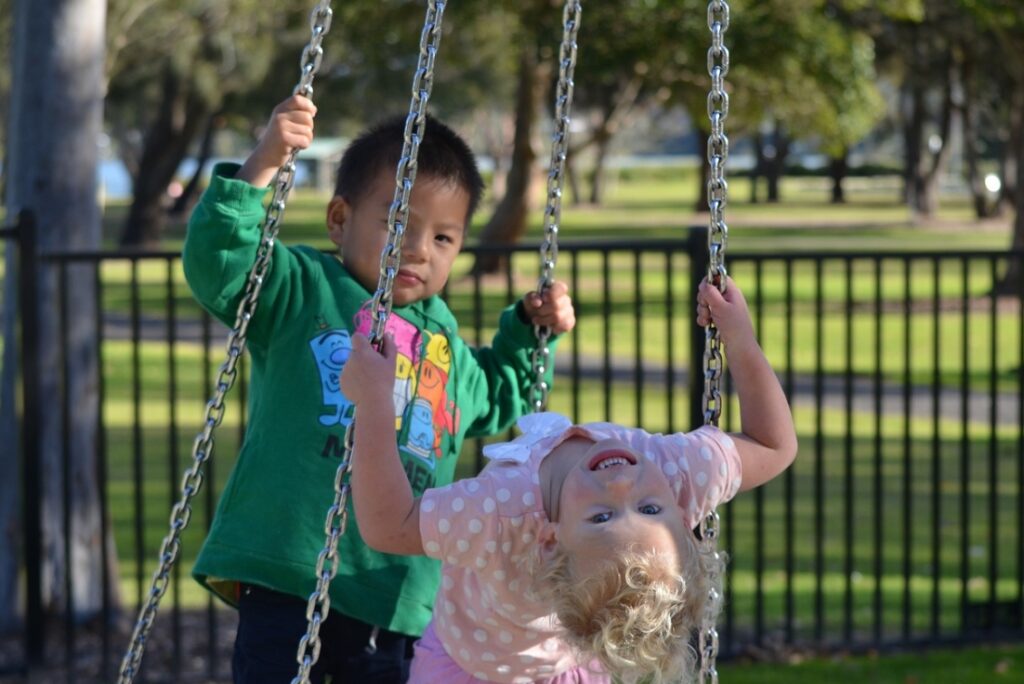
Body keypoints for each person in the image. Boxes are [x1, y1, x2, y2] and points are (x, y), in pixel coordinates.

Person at [182, 93, 576, 684]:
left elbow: (495, 397)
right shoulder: (303, 290)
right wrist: (263, 162)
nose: (419, 249)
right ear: (339, 220)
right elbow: (221, 262)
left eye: (444, 238)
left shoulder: (440, 342)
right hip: (290, 573)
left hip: (394, 591)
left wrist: (530, 330)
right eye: (400, 223)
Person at [340, 276, 798, 684]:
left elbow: (389, 525)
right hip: (521, 658)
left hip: (471, 669)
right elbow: (774, 446)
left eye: (601, 517)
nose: (623, 488)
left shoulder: (502, 512)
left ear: (551, 539)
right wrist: (740, 338)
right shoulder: (673, 472)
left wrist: (375, 400)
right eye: (651, 510)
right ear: (683, 513)